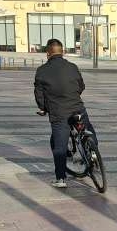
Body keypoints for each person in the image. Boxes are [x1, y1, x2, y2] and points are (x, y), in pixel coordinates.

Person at [34, 38, 93, 189]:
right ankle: (93, 152)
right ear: (63, 52)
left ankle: (60, 179)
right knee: (88, 129)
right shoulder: (73, 67)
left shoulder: (41, 71)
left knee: (59, 146)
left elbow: (39, 94)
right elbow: (81, 86)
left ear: (48, 53)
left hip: (58, 112)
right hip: (77, 107)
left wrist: (43, 108)